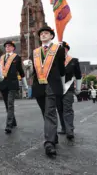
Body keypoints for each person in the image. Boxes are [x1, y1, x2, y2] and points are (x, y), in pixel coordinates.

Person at [23, 26, 66, 157]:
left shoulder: (58, 49)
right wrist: (27, 68)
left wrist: (63, 86)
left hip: (52, 85)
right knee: (45, 112)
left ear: (51, 36)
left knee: (50, 112)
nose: (43, 35)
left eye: (46, 33)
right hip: (38, 86)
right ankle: (53, 135)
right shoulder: (35, 52)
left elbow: (61, 69)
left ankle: (49, 143)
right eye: (41, 33)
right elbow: (30, 74)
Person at [0, 40, 26, 134]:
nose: (7, 47)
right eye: (6, 46)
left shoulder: (17, 58)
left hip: (12, 84)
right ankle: (13, 121)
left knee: (10, 103)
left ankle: (8, 125)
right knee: (7, 104)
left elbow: (21, 71)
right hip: (3, 83)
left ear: (13, 48)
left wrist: (25, 85)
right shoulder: (1, 58)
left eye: (9, 46)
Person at [56, 41, 82, 142]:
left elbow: (78, 75)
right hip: (57, 88)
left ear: (67, 49)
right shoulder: (54, 61)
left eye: (63, 49)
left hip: (68, 88)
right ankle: (63, 127)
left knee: (67, 108)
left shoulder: (73, 61)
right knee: (60, 109)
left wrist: (78, 88)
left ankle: (69, 129)